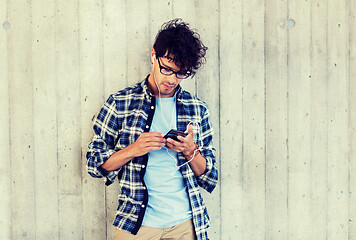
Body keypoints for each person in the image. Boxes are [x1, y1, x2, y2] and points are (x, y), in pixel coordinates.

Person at [86, 18, 218, 240]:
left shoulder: (197, 108)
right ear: (153, 56)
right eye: (166, 69)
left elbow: (209, 176)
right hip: (136, 225)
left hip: (186, 224)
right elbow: (94, 164)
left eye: (180, 73)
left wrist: (190, 150)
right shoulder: (120, 102)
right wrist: (133, 149)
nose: (172, 79)